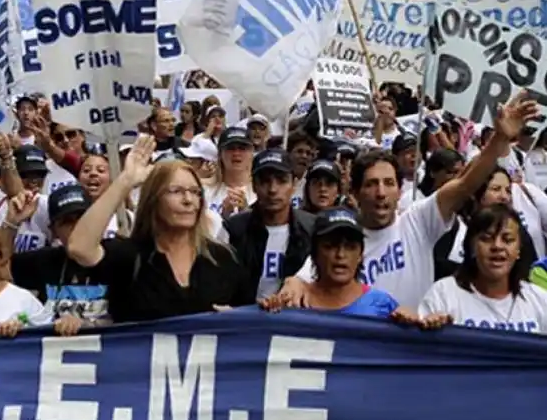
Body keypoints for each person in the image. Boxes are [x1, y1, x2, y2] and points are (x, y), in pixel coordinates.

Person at [280, 92, 541, 309]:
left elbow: (464, 184)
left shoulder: (418, 220)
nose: (381, 192)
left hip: (412, 355)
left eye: (389, 183)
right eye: (371, 184)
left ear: (398, 190)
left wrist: (499, 140)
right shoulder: (341, 242)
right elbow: (302, 281)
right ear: (355, 192)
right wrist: (293, 282)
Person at [66, 135, 254, 322]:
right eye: (176, 191)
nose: (188, 200)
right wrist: (126, 181)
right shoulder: (130, 258)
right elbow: (80, 247)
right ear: (153, 200)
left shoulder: (223, 258)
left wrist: (236, 318)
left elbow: (252, 320)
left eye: (195, 192)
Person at [263, 207, 448, 325]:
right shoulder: (295, 302)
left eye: (350, 247)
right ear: (315, 254)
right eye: (330, 246)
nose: (340, 255)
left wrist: (424, 326)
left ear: (361, 255)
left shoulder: (382, 306)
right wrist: (267, 312)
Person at [420, 204, 547, 333]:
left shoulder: (540, 301)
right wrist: (430, 328)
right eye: (486, 239)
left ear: (519, 249)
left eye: (507, 240)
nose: (497, 246)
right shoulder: (443, 295)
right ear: (472, 246)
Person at [9, 184, 110, 325]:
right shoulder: (44, 261)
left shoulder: (118, 257)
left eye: (82, 218)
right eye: (67, 222)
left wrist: (85, 324)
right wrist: (11, 223)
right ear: (53, 230)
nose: (77, 226)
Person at [224, 149, 314, 299]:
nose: (273, 189)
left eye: (281, 181)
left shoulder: (312, 229)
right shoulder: (233, 229)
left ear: (294, 184)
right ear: (254, 186)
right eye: (265, 181)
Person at [204, 127, 255, 219]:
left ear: (252, 153)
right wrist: (223, 217)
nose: (236, 153)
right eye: (230, 148)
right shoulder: (204, 191)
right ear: (220, 154)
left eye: (242, 148)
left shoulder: (260, 191)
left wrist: (247, 215)